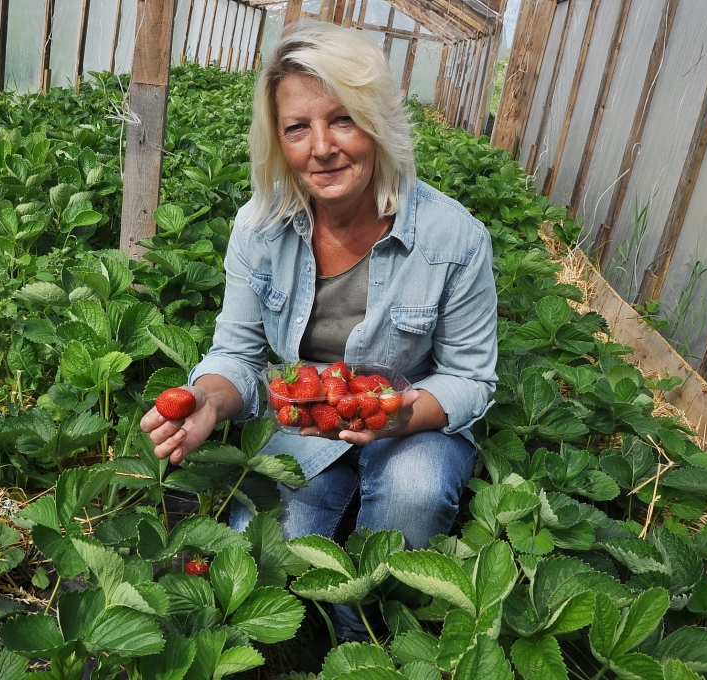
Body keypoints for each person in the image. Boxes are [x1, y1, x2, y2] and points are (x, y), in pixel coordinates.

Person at [141, 21, 497, 638]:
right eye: (297, 127)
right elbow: (239, 355)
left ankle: (369, 640)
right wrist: (206, 400)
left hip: (413, 414)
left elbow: (470, 377)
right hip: (306, 416)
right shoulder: (259, 228)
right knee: (262, 545)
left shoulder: (453, 238)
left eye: (343, 120)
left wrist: (400, 415)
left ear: (378, 124)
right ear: (278, 141)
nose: (321, 147)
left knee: (413, 490)